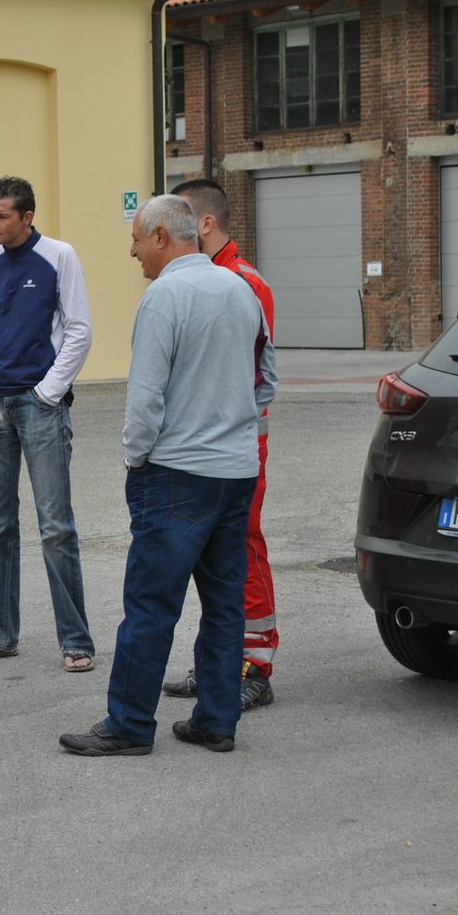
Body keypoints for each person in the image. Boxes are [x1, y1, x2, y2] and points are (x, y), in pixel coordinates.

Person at [60, 195, 275, 756]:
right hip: (236, 471)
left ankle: (129, 725)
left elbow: (146, 400)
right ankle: (217, 720)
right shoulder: (241, 291)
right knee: (226, 603)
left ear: (161, 237)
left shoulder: (163, 299)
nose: (131, 251)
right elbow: (267, 381)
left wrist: (137, 460)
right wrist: (232, 428)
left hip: (177, 473)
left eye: (135, 238)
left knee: (152, 604)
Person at [0, 175, 96, 672]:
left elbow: (79, 330)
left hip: (39, 407)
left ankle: (76, 641)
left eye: (2, 215)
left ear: (27, 217)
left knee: (56, 527)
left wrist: (47, 393)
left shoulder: (59, 256)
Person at [166, 178, 279, 711]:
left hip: (237, 442)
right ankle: (217, 662)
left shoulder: (243, 283)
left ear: (205, 223)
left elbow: (252, 375)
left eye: (182, 215)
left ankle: (254, 665)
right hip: (208, 443)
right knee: (209, 557)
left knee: (242, 548)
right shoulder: (208, 278)